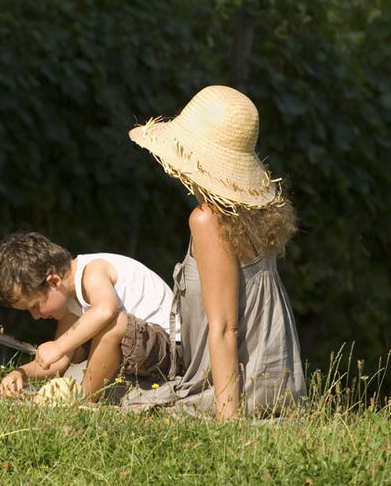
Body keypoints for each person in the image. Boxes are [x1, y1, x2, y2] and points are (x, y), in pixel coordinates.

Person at [128, 84, 305, 418]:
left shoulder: (208, 219)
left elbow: (225, 327)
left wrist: (228, 424)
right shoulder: (252, 216)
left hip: (240, 389)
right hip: (276, 384)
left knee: (123, 403)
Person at [0, 231, 174, 401]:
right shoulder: (71, 302)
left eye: (36, 306)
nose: (36, 316)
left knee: (113, 323)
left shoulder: (93, 271)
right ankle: (84, 394)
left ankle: (83, 400)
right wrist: (21, 373)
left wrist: (58, 346)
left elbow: (105, 311)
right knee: (79, 347)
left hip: (169, 352)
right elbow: (61, 360)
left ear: (54, 282)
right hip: (141, 355)